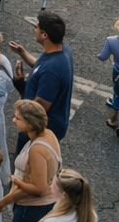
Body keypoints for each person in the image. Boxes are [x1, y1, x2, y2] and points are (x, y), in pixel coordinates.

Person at [0, 101, 62, 222]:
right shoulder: (49, 135)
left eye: (18, 117)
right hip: (43, 205)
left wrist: (10, 192)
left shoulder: (37, 149)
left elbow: (39, 189)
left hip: (31, 207)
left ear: (31, 123)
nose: (13, 119)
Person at [8, 11, 74, 142]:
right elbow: (40, 66)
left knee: (25, 161)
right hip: (45, 125)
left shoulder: (52, 70)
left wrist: (22, 88)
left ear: (45, 35)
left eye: (36, 27)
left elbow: (40, 107)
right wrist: (23, 53)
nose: (35, 30)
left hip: (38, 130)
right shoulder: (61, 50)